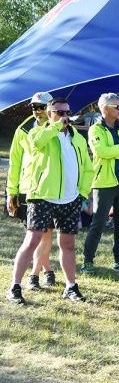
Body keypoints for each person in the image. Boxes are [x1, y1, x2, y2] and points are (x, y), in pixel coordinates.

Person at [7, 98, 94, 305]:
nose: (65, 116)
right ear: (49, 114)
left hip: (70, 198)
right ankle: (15, 287)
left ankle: (71, 287)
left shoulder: (77, 138)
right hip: (42, 196)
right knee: (32, 241)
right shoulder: (38, 132)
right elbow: (36, 143)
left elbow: (87, 167)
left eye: (67, 112)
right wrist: (55, 126)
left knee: (68, 244)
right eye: (59, 112)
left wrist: (82, 193)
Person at [82, 93, 119, 275]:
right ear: (105, 109)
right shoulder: (95, 129)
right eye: (118, 107)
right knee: (98, 223)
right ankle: (87, 262)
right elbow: (101, 152)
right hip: (103, 183)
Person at [7, 92, 57, 288]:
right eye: (34, 107)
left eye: (42, 107)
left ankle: (37, 273)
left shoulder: (57, 128)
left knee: (47, 232)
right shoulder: (23, 129)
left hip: (51, 187)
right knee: (34, 234)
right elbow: (15, 162)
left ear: (50, 107)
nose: (38, 111)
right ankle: (46, 270)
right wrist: (11, 191)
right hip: (28, 188)